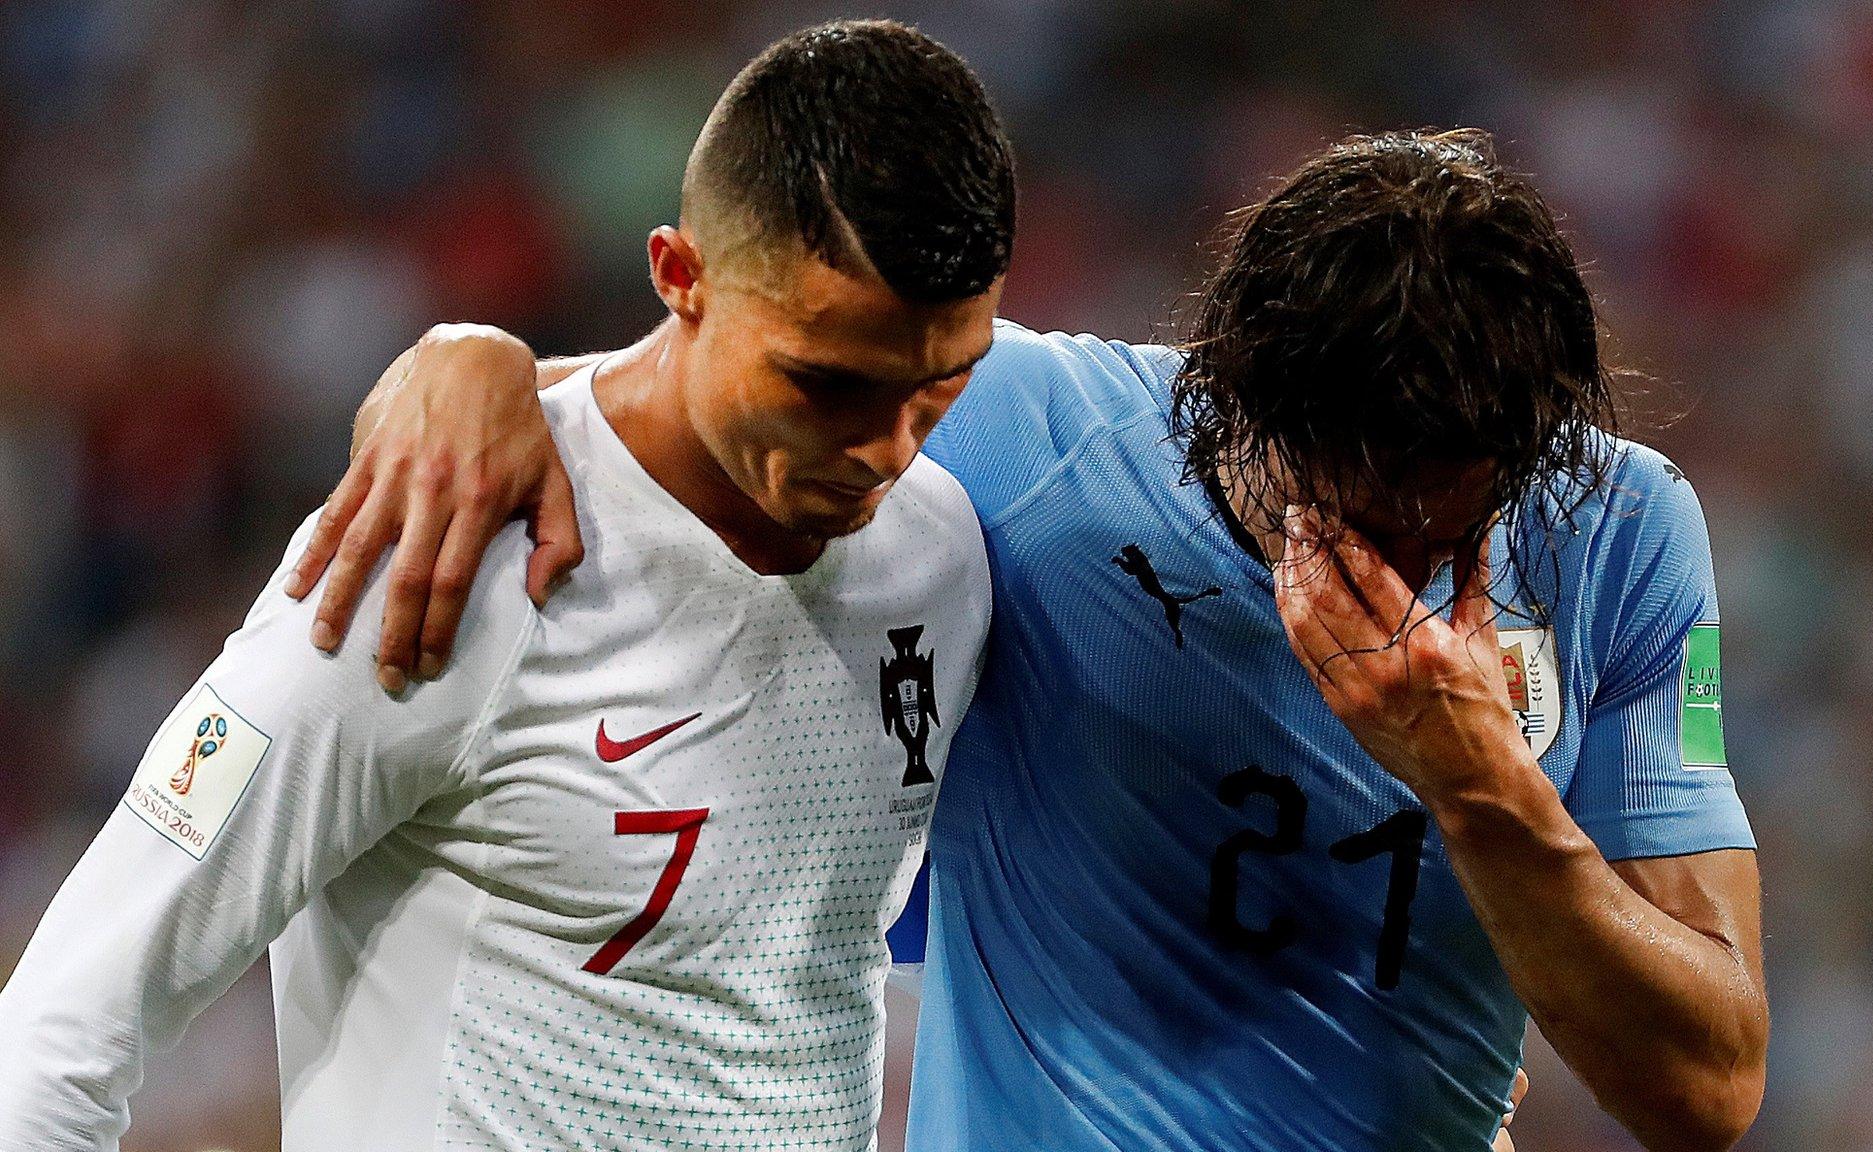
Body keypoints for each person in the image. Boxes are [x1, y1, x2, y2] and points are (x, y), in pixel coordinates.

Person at [299, 131, 1769, 1151]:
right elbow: (591, 424)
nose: (1399, 573)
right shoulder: (1026, 437)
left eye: (1455, 530)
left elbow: (1708, 1086)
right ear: (1233, 413)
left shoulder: (1626, 539)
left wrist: (1485, 791)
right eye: (1354, 520)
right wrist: (461, 363)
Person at [0, 20, 1010, 1151]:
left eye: (936, 389)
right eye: (824, 385)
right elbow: (62, 1027)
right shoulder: (436, 558)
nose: (885, 448)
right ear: (679, 277)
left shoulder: (943, 555)